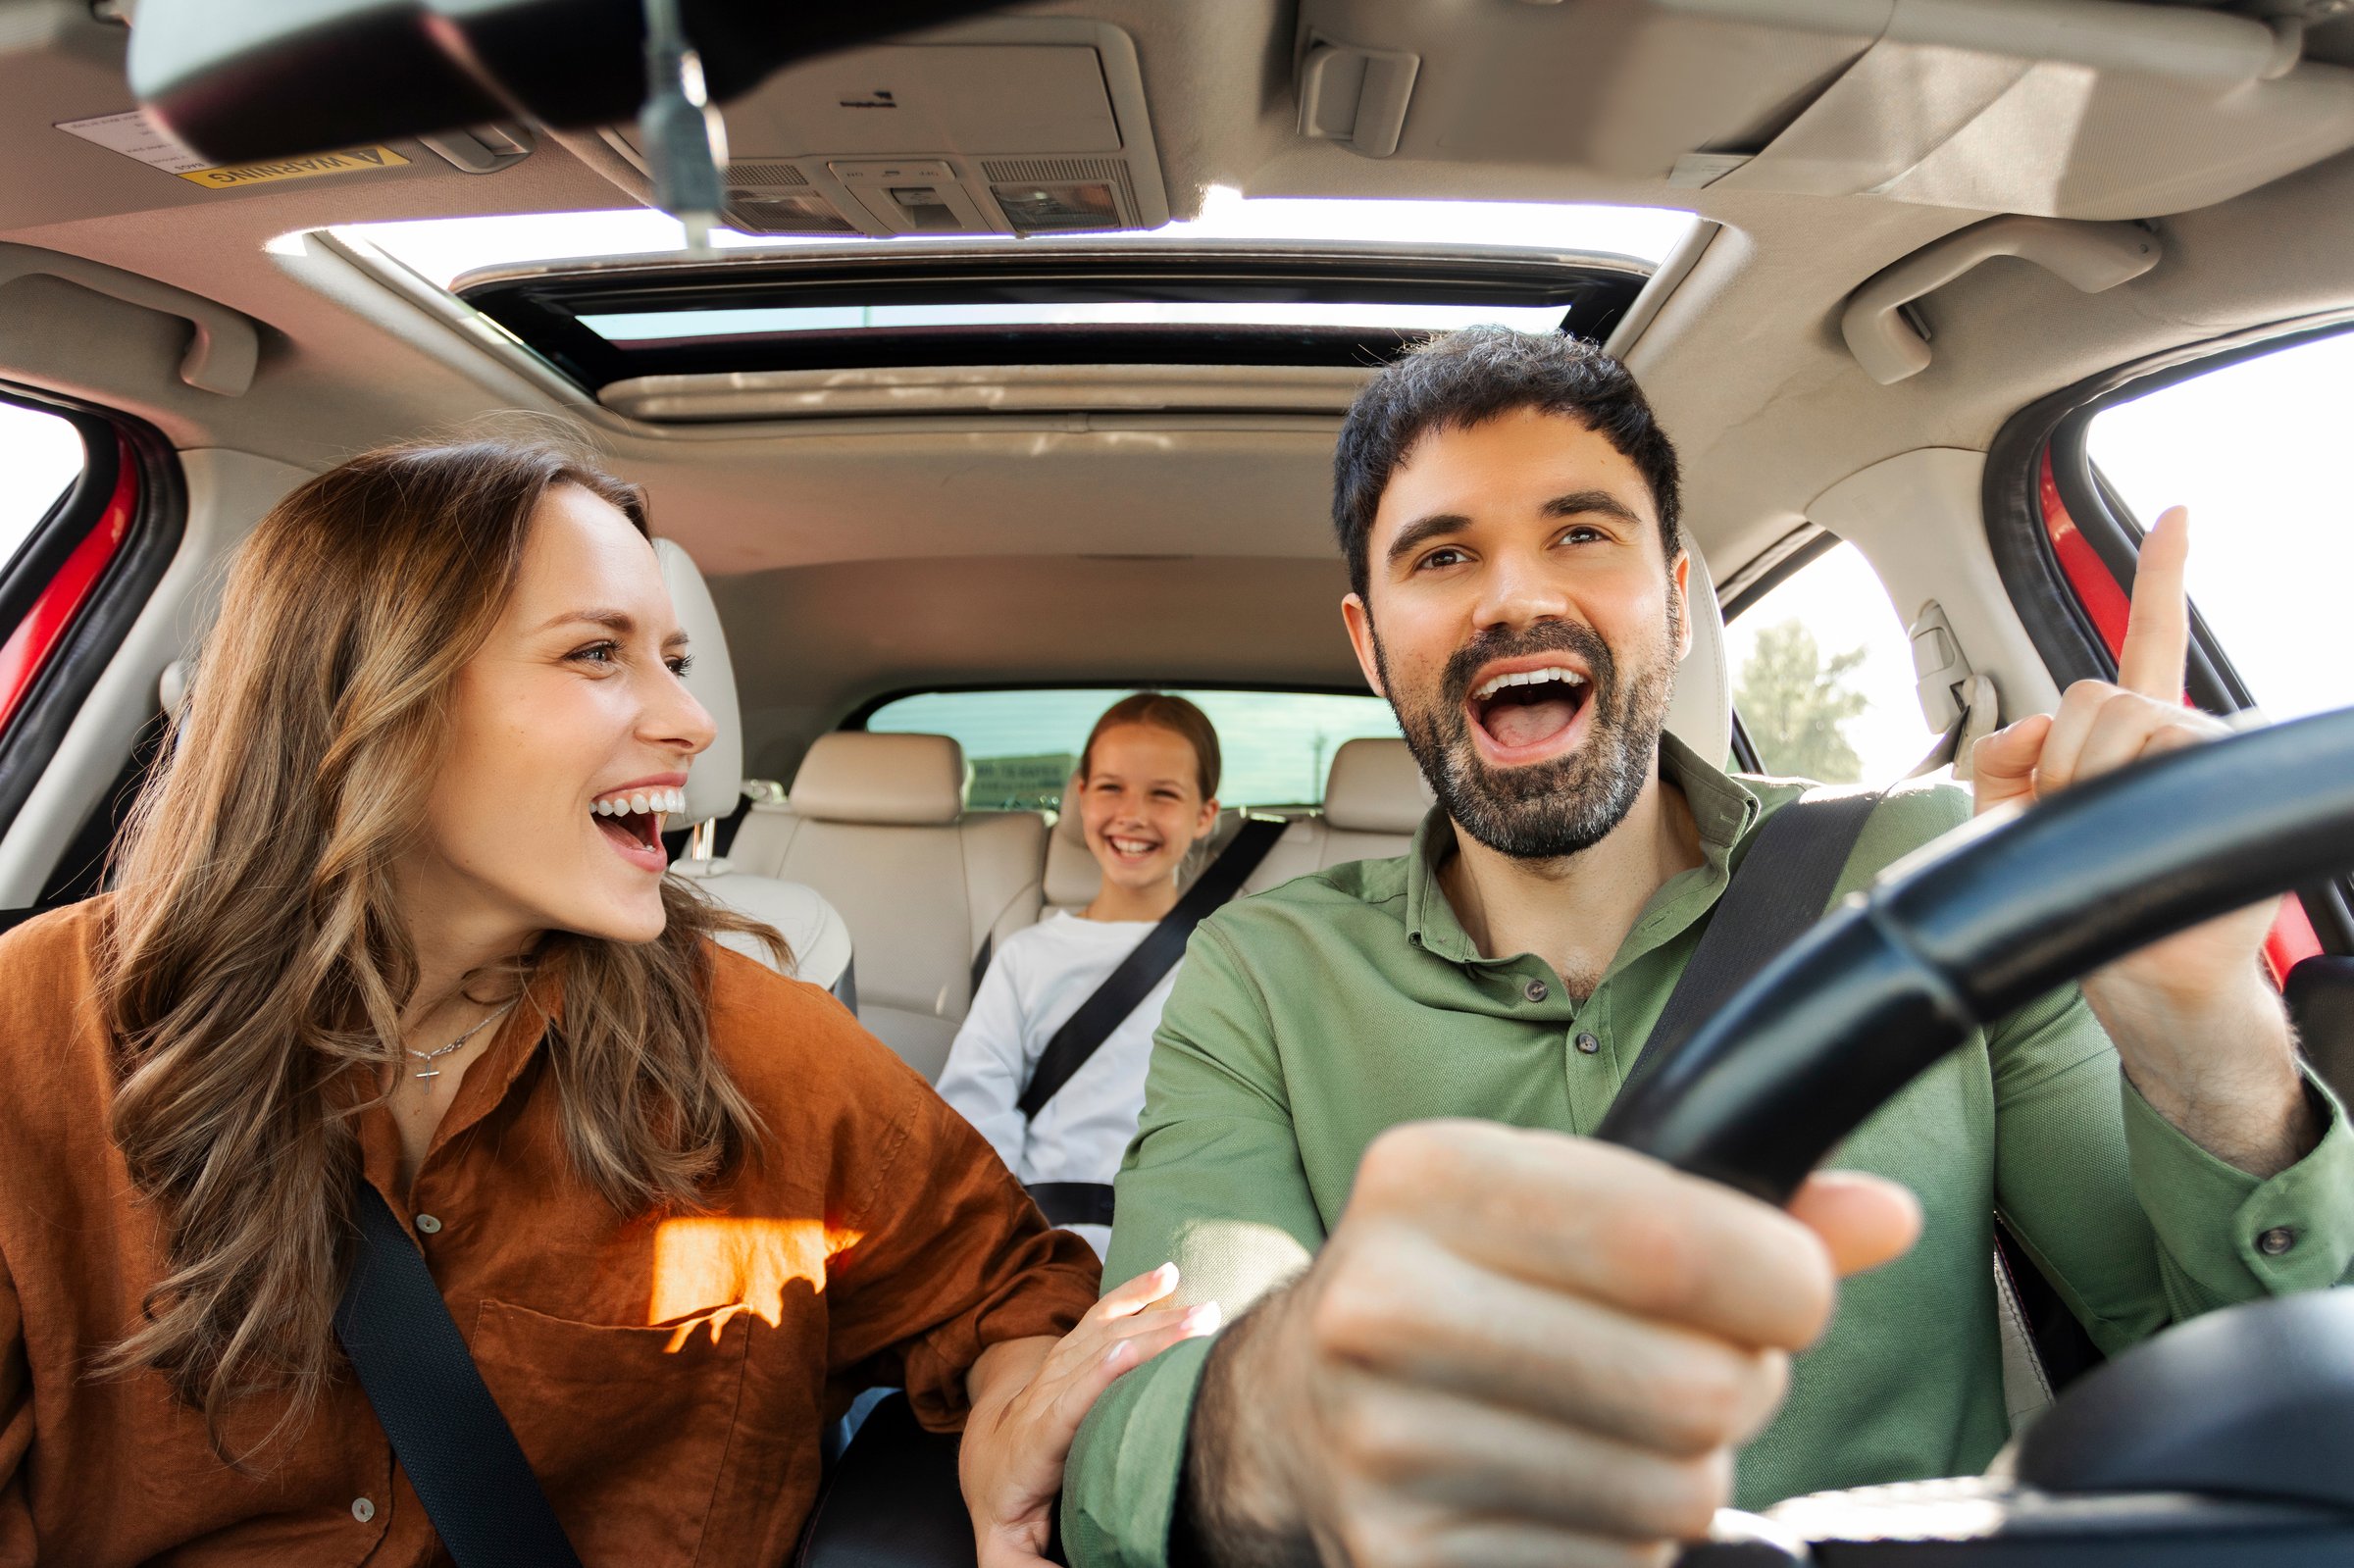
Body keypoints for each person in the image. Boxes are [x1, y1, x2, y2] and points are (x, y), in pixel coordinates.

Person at [1060, 327, 2354, 1568]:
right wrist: (1296, 1405)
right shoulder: (1263, 972)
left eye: (1581, 531)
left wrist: (2205, 1034)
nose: (1516, 593)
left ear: (1677, 601)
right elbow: (1145, 1421)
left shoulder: (1935, 871)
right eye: (1443, 555)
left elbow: (2272, 1384)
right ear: (1368, 642)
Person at [0, 436, 1214, 1568]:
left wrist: (1013, 1418)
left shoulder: (762, 1050)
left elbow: (1003, 1286)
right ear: (375, 687)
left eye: (676, 663)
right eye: (597, 652)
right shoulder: (32, 1030)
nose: (692, 724)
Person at [937, 693, 1224, 1257]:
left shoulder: (1232, 958)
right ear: (1081, 796)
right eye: (1112, 788)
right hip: (1045, 1245)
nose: (1133, 814)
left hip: (1186, 1248)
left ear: (1204, 816)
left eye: (1163, 794)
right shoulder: (1028, 957)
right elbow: (976, 1117)